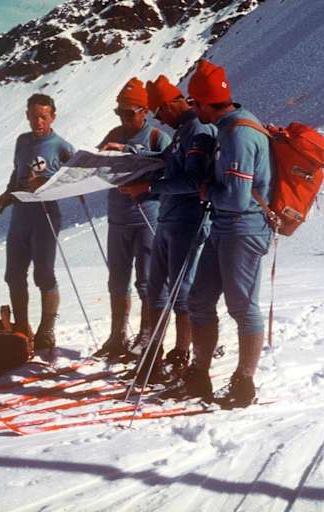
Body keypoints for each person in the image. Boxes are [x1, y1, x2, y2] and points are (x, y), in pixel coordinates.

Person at [162, 60, 272, 409]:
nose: (194, 110)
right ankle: (200, 374)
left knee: (242, 306)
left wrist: (207, 192)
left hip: (243, 226)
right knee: (199, 299)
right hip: (225, 225)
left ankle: (244, 382)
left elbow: (238, 199)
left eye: (195, 104)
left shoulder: (239, 134)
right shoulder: (227, 129)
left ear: (207, 102)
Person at [118, 75, 216, 381]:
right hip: (168, 218)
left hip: (187, 221)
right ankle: (154, 354)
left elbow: (192, 180)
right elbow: (168, 160)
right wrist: (135, 154)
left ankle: (181, 352)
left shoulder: (198, 130)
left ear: (175, 103)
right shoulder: (181, 132)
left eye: (160, 110)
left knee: (180, 291)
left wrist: (149, 186)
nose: (159, 117)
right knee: (156, 287)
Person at [93, 77, 171, 359]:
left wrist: (128, 152)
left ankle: (146, 334)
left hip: (148, 218)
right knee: (117, 280)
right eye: (120, 112)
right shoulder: (114, 133)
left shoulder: (156, 137)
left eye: (129, 112)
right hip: (117, 218)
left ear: (144, 111)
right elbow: (98, 165)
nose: (124, 118)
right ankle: (117, 336)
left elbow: (169, 160)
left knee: (147, 281)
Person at [0, 93, 75, 350]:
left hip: (45, 216)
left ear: (53, 116)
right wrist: (8, 193)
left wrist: (45, 184)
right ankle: (21, 328)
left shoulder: (61, 146)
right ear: (27, 116)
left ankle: (46, 330)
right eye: (33, 116)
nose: (38, 122)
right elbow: (17, 170)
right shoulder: (22, 141)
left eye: (43, 116)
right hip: (21, 216)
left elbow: (73, 179)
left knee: (43, 274)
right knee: (13, 275)